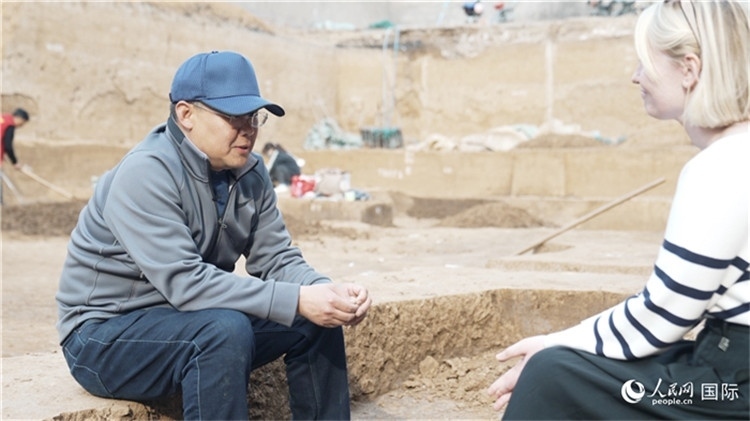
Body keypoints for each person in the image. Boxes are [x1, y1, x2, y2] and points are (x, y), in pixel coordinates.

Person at [56, 50, 372, 420]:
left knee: (314, 318)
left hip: (185, 319)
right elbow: (186, 282)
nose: (248, 129)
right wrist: (298, 299)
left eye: (253, 116)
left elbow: (276, 258)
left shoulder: (250, 173)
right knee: (224, 329)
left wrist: (325, 291)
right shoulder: (146, 173)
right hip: (104, 337)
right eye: (232, 116)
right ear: (186, 115)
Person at [489, 1, 749, 419]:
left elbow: (663, 316)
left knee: (551, 375)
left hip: (731, 389)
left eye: (645, 61)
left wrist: (555, 343)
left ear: (689, 69)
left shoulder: (722, 166)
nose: (635, 76)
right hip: (728, 369)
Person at [0, 108, 30, 204]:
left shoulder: (3, 118)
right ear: (19, 118)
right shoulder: (10, 124)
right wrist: (15, 162)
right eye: (23, 123)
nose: (21, 126)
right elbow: (8, 145)